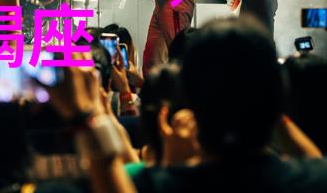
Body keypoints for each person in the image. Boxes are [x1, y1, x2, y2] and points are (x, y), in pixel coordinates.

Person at [132, 17, 327, 193]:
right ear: (278, 93)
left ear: (186, 97)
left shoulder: (147, 185)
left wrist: (171, 171)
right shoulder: (315, 181)